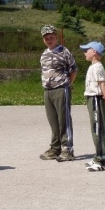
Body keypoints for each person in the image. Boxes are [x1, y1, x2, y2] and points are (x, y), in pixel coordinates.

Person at [39, 24, 77, 162]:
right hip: (48, 91)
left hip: (61, 90)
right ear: (43, 40)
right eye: (46, 38)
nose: (49, 40)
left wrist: (67, 84)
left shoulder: (64, 52)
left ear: (56, 37)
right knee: (53, 121)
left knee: (64, 120)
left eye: (51, 37)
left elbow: (73, 70)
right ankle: (55, 149)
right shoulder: (44, 54)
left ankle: (68, 149)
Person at [79, 41, 105, 171]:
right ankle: (98, 157)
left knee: (98, 129)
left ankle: (101, 160)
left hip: (96, 99)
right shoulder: (93, 66)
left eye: (86, 50)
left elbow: (102, 85)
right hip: (91, 98)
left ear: (94, 52)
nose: (84, 53)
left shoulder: (98, 67)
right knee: (95, 129)